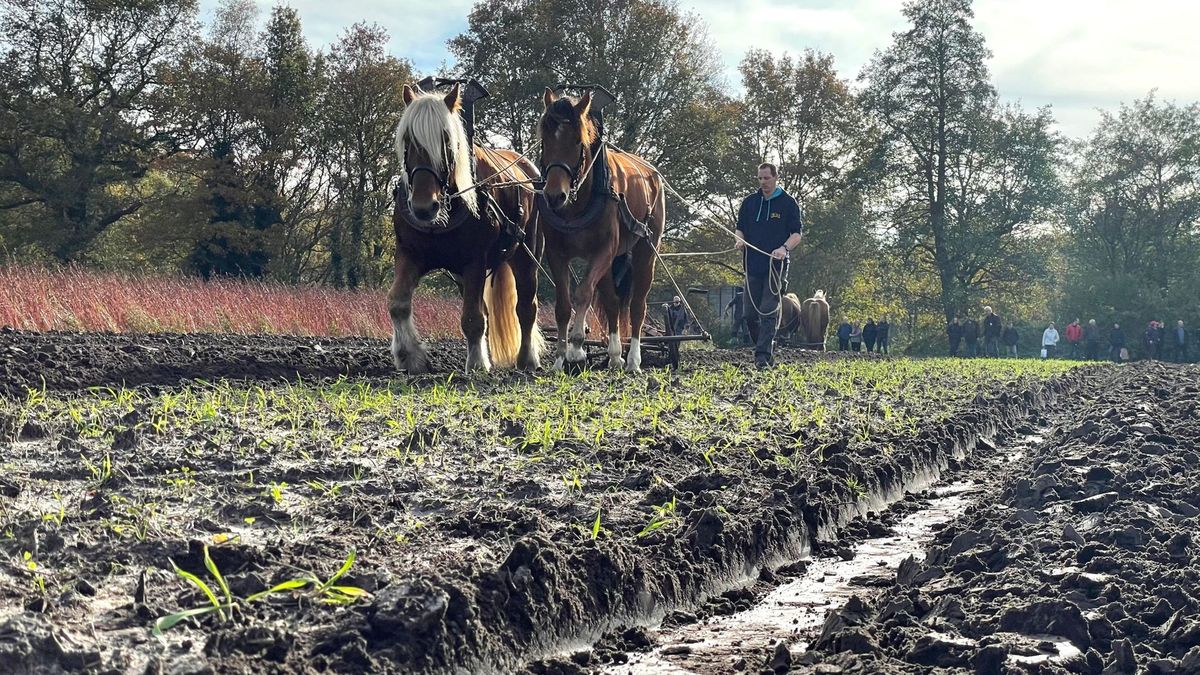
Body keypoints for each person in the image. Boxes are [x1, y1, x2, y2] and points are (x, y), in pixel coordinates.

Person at [736, 162, 803, 369]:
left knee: (767, 311)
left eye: (766, 178)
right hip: (752, 265)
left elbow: (796, 234)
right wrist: (739, 240)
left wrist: (784, 248)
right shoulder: (750, 203)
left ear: (775, 178)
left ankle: (762, 357)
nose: (763, 182)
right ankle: (766, 346)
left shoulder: (788, 203)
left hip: (775, 267)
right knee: (749, 315)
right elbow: (740, 228)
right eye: (760, 178)